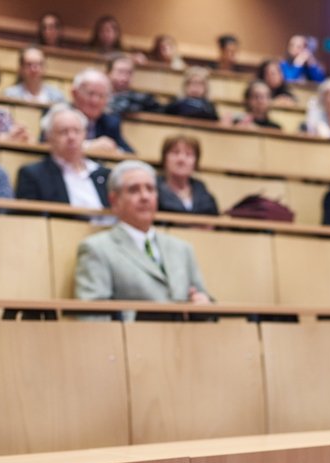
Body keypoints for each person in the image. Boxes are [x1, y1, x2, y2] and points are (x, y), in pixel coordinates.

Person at [75, 159, 212, 319]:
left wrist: (203, 303)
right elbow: (93, 318)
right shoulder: (97, 249)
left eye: (150, 189)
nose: (145, 196)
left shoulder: (182, 248)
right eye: (134, 190)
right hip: (134, 341)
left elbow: (206, 302)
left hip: (186, 340)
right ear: (114, 200)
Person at [16, 103, 110, 208]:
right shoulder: (33, 175)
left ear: (85, 134)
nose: (71, 137)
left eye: (77, 131)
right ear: (48, 137)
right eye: (63, 132)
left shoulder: (105, 174)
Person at [70, 67, 134, 153]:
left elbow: (129, 153)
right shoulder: (60, 116)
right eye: (90, 93)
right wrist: (89, 146)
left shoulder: (110, 122)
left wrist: (115, 149)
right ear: (74, 93)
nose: (95, 101)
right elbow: (50, 144)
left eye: (101, 96)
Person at [157, 135, 218, 215]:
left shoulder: (203, 192)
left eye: (188, 154)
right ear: (164, 158)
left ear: (196, 162)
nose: (181, 159)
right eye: (175, 153)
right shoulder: (152, 188)